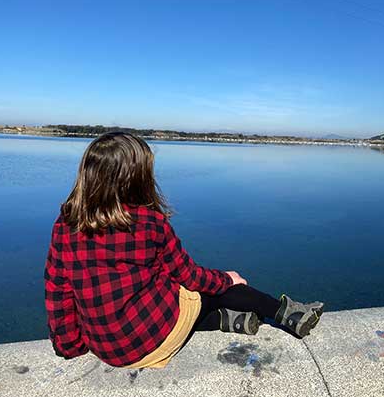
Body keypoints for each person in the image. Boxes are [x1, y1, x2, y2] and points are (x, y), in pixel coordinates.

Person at [44, 132, 324, 369]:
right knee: (204, 289)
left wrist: (70, 345)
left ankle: (230, 321)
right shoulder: (149, 222)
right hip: (152, 342)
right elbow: (189, 277)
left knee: (171, 288)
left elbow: (58, 291)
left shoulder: (66, 225)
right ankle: (286, 313)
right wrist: (228, 279)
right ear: (136, 177)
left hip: (108, 350)